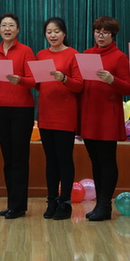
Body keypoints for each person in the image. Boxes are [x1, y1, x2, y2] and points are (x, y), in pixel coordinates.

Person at [79, 16, 130, 221]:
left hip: (107, 115)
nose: (100, 36)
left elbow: (129, 88)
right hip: (89, 113)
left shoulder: (120, 57)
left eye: (105, 32)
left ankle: (104, 204)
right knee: (95, 160)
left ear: (113, 35)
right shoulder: (86, 54)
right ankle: (101, 204)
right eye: (97, 31)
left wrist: (112, 80)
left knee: (107, 160)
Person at [0, 13, 36, 219]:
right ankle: (11, 203)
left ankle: (19, 205)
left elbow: (34, 80)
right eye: (4, 25)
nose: (7, 29)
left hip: (21, 110)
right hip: (0, 109)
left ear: (18, 30)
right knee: (8, 158)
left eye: (11, 25)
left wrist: (20, 80)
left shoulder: (26, 51)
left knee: (19, 157)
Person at [35, 17, 83, 220]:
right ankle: (52, 200)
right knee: (51, 160)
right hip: (46, 113)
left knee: (64, 159)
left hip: (65, 115)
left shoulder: (73, 54)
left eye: (56, 31)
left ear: (64, 33)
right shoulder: (41, 54)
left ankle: (65, 202)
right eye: (49, 32)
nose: (52, 35)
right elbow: (38, 84)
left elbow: (79, 85)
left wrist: (63, 78)